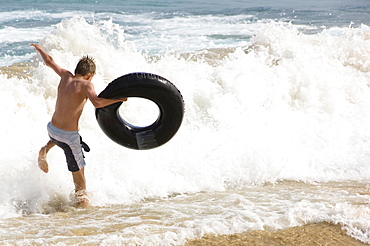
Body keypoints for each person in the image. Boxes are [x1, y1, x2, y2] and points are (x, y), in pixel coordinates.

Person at [31, 43, 127, 208]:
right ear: (89, 75)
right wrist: (119, 99)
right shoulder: (86, 85)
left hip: (52, 130)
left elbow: (50, 62)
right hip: (68, 137)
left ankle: (45, 149)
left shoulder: (65, 76)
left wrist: (41, 51)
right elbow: (97, 102)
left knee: (61, 137)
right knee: (79, 173)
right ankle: (82, 203)